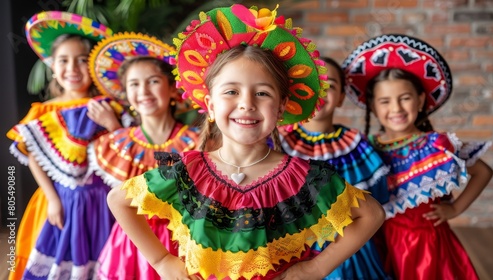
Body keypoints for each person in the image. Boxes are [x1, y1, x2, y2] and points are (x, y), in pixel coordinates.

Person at [107, 4, 385, 280]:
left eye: (262, 93)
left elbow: (371, 215)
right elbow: (119, 200)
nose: (246, 104)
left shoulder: (303, 179)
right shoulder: (187, 173)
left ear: (281, 107)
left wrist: (314, 268)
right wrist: (161, 260)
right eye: (231, 91)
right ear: (211, 105)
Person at [343, 34, 493, 280]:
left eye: (405, 98)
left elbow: (483, 172)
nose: (396, 109)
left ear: (421, 99)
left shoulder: (438, 144)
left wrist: (455, 208)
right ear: (372, 106)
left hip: (428, 245)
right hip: (382, 240)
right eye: (385, 101)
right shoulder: (365, 149)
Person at [8, 11, 129, 279]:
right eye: (64, 60)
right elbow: (33, 157)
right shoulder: (43, 112)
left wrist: (112, 125)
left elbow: (126, 149)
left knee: (101, 258)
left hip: (102, 201)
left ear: (95, 65)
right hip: (59, 198)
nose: (72, 69)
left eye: (82, 61)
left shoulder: (111, 107)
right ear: (52, 66)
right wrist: (52, 199)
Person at [86, 32, 199, 279]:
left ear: (172, 89)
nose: (144, 90)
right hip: (133, 243)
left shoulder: (197, 142)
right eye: (134, 84)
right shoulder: (114, 144)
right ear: (126, 95)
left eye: (153, 81)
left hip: (185, 241)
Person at [279, 57, 390, 280]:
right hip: (294, 245)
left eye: (329, 86)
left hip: (350, 249)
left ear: (341, 98)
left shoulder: (356, 145)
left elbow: (377, 201)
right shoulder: (279, 143)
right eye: (312, 85)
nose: (321, 93)